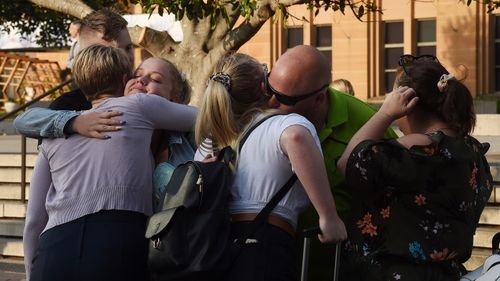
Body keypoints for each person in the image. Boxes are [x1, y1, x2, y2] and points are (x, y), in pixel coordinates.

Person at [18, 45, 197, 281]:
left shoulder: (53, 136)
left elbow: (34, 221)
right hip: (117, 241)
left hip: (53, 250)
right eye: (135, 76)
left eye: (153, 78)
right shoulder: (139, 106)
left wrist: (33, 273)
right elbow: (210, 115)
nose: (141, 82)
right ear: (124, 81)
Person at [336, 55, 493, 281]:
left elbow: (348, 163)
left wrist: (384, 114)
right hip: (447, 274)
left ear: (409, 102)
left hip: (391, 273)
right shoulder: (473, 151)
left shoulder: (415, 149)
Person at [194, 52, 347, 281]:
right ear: (263, 87)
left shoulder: (211, 140)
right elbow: (296, 137)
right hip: (264, 243)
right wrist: (328, 216)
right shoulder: (281, 124)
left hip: (214, 248)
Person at [267, 44, 398, 279]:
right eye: (268, 88)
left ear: (318, 99)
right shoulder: (260, 109)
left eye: (283, 98)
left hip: (342, 269)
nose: (269, 103)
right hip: (275, 264)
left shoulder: (367, 122)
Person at [50, 8, 134, 111]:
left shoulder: (148, 89)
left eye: (128, 48)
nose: (126, 58)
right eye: (112, 53)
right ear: (87, 57)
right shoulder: (65, 108)